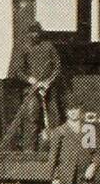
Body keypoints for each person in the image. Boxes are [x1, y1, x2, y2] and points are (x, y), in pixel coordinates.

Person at [7, 22, 60, 151]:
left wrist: (48, 82)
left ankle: (55, 151)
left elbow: (57, 66)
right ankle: (30, 151)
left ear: (40, 33)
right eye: (32, 32)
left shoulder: (49, 47)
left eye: (37, 32)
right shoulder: (25, 48)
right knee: (32, 119)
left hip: (49, 89)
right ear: (29, 34)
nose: (35, 35)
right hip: (31, 90)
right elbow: (18, 70)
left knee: (55, 119)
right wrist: (31, 80)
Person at [48, 102, 99, 184]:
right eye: (70, 110)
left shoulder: (88, 130)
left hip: (84, 178)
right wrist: (54, 177)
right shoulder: (59, 131)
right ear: (66, 112)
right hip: (65, 179)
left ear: (80, 110)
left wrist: (93, 166)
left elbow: (96, 153)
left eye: (75, 109)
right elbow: (53, 157)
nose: (73, 112)